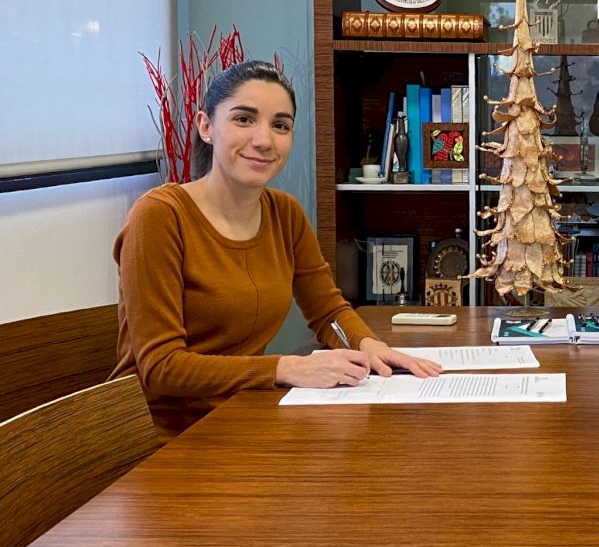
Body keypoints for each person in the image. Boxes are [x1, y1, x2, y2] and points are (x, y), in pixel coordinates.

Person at [112, 60, 441, 440]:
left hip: (244, 415)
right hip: (164, 439)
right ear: (206, 126)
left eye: (280, 126)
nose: (264, 140)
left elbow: (328, 310)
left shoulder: (284, 213)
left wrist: (370, 345)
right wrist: (285, 369)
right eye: (243, 119)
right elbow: (161, 367)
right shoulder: (159, 216)